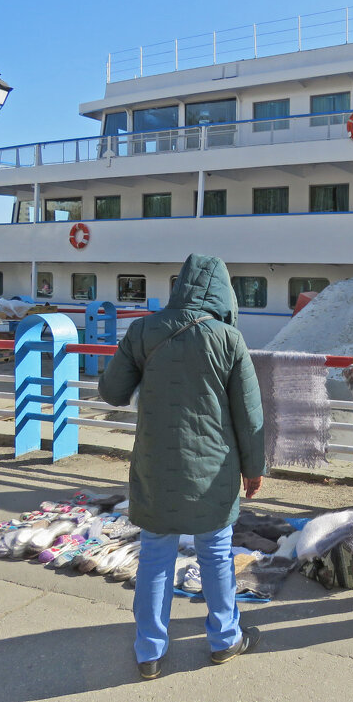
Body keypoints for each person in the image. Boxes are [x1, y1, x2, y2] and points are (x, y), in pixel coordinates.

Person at [99, 254, 265, 678]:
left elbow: (112, 391)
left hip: (156, 465)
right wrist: (253, 467)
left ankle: (148, 651)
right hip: (213, 467)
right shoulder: (228, 338)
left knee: (155, 555)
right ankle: (225, 640)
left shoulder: (142, 330)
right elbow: (249, 414)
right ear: (222, 293)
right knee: (215, 554)